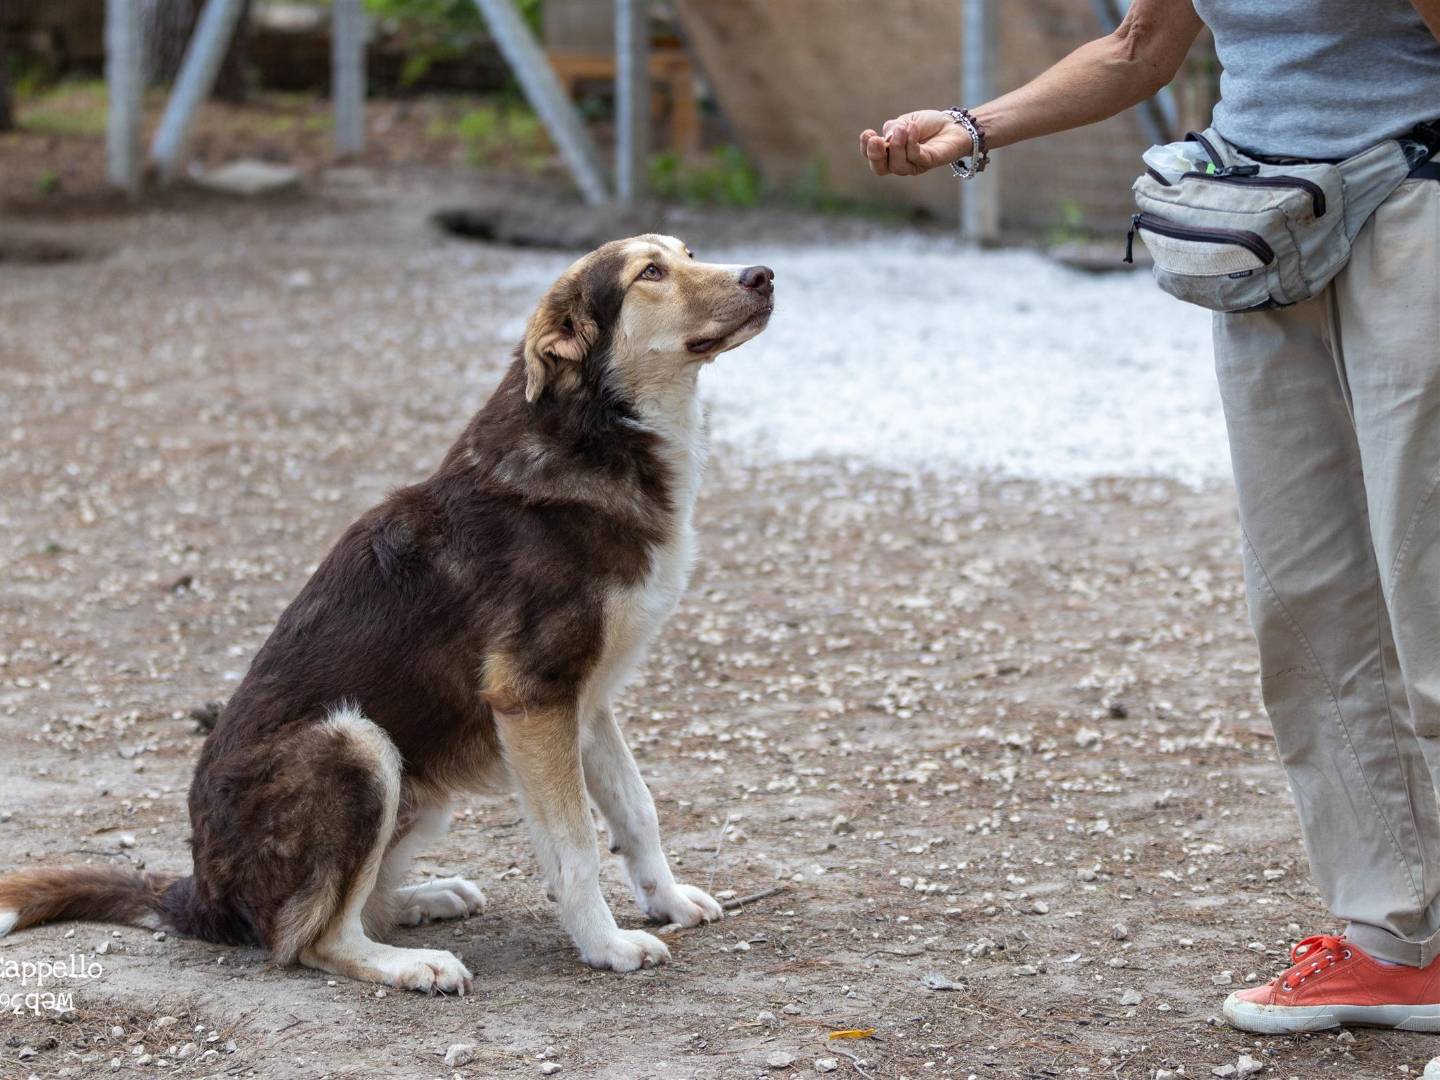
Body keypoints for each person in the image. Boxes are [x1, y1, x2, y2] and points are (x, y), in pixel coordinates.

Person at [861, 0, 1440, 1042]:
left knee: (1433, 598)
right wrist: (971, 126)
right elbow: (1140, 50)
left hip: (1417, 200)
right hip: (1263, 221)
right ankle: (1397, 941)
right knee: (1304, 600)